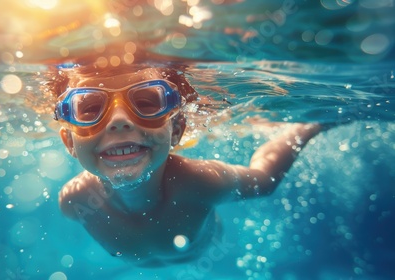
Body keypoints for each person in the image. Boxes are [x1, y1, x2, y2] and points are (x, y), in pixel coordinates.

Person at [50, 61, 322, 267]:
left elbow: (264, 179)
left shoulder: (201, 182)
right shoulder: (74, 203)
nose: (119, 120)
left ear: (177, 129)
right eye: (88, 108)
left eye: (146, 103)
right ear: (69, 143)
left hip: (207, 256)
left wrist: (310, 126)